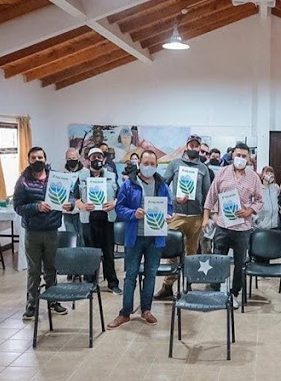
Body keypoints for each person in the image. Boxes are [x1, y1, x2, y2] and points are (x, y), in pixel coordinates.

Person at [107, 150, 173, 329]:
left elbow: (169, 206)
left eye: (152, 164)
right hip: (134, 237)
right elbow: (120, 208)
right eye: (146, 163)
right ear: (139, 164)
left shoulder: (162, 185)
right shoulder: (129, 184)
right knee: (130, 275)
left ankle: (146, 310)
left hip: (155, 238)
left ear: (156, 166)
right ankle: (125, 313)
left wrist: (168, 215)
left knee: (151, 275)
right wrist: (133, 213)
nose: (149, 166)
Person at [203, 142, 263, 308]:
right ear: (232, 155)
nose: (240, 158)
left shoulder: (254, 178)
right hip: (222, 225)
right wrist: (206, 217)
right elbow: (211, 196)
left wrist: (249, 211)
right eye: (238, 155)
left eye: (244, 156)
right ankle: (216, 291)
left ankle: (234, 293)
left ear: (248, 159)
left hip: (242, 228)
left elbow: (260, 200)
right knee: (217, 259)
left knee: (239, 264)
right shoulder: (222, 173)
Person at [154, 134, 211, 300]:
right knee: (172, 253)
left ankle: (188, 284)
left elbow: (207, 194)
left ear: (199, 148)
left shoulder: (203, 169)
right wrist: (173, 200)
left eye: (196, 146)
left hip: (195, 217)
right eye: (191, 145)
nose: (194, 148)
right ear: (186, 146)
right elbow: (163, 186)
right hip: (176, 215)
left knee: (191, 253)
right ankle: (167, 286)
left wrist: (206, 216)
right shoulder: (175, 164)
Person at [13, 147, 68, 320]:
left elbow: (69, 198)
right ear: (29, 160)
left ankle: (54, 301)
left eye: (40, 157)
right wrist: (36, 207)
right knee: (34, 270)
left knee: (51, 268)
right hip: (33, 232)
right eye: (34, 158)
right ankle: (31, 304)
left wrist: (70, 205)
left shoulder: (56, 177)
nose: (37, 160)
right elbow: (18, 207)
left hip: (52, 230)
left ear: (45, 159)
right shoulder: (23, 181)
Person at [74, 147, 121, 294]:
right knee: (90, 252)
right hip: (88, 220)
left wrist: (114, 203)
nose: (96, 160)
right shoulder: (81, 176)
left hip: (107, 219)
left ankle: (112, 283)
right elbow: (75, 197)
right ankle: (90, 283)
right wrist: (82, 205)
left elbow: (119, 196)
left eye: (99, 157)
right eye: (93, 157)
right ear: (88, 160)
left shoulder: (112, 176)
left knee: (108, 253)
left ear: (104, 159)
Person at [62, 148, 84, 249]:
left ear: (78, 158)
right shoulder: (61, 173)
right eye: (69, 159)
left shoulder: (85, 172)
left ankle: (82, 258)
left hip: (82, 210)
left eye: (74, 158)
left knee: (82, 237)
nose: (72, 160)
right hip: (67, 211)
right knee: (71, 237)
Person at [253, 166, 280, 230]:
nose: (269, 174)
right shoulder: (257, 189)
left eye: (271, 173)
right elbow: (251, 208)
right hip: (261, 228)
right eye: (267, 173)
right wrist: (258, 222)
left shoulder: (276, 188)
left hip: (275, 226)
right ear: (262, 176)